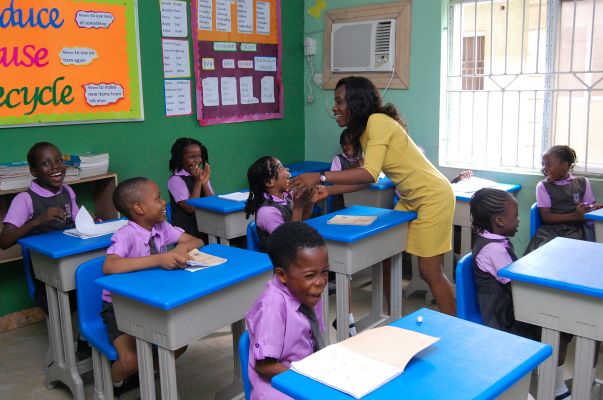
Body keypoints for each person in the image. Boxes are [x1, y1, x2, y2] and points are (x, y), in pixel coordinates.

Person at [291, 76, 456, 315]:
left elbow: (368, 173)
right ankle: (393, 316)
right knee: (386, 255)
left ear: (356, 102)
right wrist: (330, 190)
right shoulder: (365, 130)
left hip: (433, 196)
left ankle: (454, 325)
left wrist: (321, 176)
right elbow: (369, 177)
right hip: (411, 199)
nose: (334, 108)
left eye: (339, 101)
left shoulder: (377, 122)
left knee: (430, 271)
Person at [101, 177, 203, 395]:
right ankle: (115, 383)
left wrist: (180, 249)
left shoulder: (161, 227)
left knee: (178, 343)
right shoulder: (126, 235)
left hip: (155, 300)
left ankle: (147, 372)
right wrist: (159, 259)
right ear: (139, 208)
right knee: (129, 361)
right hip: (121, 307)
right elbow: (110, 266)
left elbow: (196, 241)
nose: (164, 202)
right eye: (157, 199)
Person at [470, 188, 572, 400]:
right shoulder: (493, 250)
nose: (518, 220)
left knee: (557, 316)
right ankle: (555, 388)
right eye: (515, 215)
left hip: (508, 307)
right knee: (560, 324)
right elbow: (519, 290)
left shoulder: (493, 240)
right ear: (499, 221)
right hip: (503, 318)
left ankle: (553, 382)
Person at [245, 222, 329, 400]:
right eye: (310, 275)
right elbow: (264, 366)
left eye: (325, 272)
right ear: (282, 275)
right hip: (278, 388)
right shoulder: (272, 306)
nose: (320, 281)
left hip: (305, 374)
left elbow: (314, 341)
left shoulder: (308, 293)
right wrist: (306, 380)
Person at [0, 142, 80, 313]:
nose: (55, 166)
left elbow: (78, 221)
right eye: (46, 163)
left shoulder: (68, 191)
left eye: (59, 160)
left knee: (91, 282)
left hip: (70, 258)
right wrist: (38, 221)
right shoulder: (25, 199)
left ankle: (82, 328)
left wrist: (91, 223)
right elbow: (4, 241)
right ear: (34, 171)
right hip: (44, 269)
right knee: (65, 301)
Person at [525, 145, 602, 254]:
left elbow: (590, 207)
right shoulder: (543, 186)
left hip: (577, 229)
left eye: (549, 164)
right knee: (542, 252)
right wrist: (575, 216)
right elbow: (546, 217)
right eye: (543, 164)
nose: (544, 168)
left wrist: (595, 208)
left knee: (579, 251)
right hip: (551, 231)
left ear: (565, 166)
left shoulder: (582, 182)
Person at [244, 156, 315, 252]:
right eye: (280, 168)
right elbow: (290, 244)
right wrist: (298, 207)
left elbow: (302, 224)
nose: (287, 169)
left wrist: (310, 201)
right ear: (269, 182)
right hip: (278, 258)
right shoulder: (267, 212)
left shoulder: (286, 197)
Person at [167, 137, 213, 240]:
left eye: (199, 156)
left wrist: (204, 182)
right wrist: (198, 182)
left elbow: (212, 202)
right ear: (180, 158)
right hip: (188, 231)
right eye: (192, 157)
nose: (197, 161)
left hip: (206, 226)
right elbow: (190, 208)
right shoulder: (175, 180)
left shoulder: (201, 175)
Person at [329, 128, 363, 211]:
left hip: (357, 198)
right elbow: (334, 179)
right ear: (341, 145)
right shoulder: (338, 159)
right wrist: (355, 166)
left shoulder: (360, 158)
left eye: (352, 144)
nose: (348, 147)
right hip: (340, 201)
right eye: (345, 144)